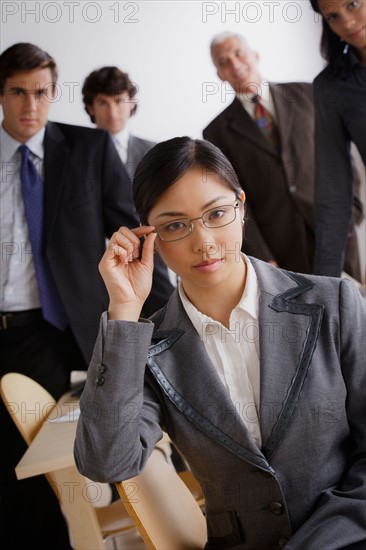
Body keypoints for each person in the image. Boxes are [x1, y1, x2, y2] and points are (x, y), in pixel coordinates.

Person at [74, 136, 366, 549]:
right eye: (175, 225)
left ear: (241, 207)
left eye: (216, 213)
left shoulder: (334, 303)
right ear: (148, 236)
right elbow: (106, 461)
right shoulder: (148, 347)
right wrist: (124, 309)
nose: (204, 241)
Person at [0, 42, 173, 549]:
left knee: (55, 462)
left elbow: (135, 238)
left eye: (41, 92)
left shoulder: (87, 149)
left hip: (53, 330)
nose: (30, 105)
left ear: (55, 94)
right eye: (17, 92)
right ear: (1, 93)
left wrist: (170, 316)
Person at [203, 31, 363, 280]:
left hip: (336, 229)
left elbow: (341, 156)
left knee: (352, 310)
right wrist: (261, 255)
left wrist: (354, 209)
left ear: (254, 55)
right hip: (281, 248)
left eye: (238, 53)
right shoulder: (216, 132)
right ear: (219, 75)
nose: (234, 64)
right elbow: (233, 199)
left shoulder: (309, 94)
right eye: (224, 62)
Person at [309, 0, 366, 279]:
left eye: (353, 5)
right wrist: (326, 282)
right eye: (333, 16)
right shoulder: (330, 88)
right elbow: (334, 191)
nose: (348, 22)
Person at [82, 65, 155, 179]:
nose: (112, 112)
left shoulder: (154, 153)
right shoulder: (74, 152)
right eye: (103, 103)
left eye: (119, 101)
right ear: (91, 108)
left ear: (131, 102)